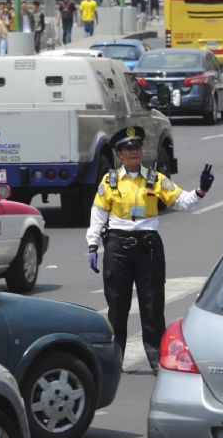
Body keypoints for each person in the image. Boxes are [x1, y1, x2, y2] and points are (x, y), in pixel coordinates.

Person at [86, 127, 215, 374]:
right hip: (118, 247)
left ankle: (157, 360)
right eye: (129, 148)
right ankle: (115, 360)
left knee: (152, 304)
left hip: (148, 247)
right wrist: (93, 244)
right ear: (119, 153)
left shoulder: (154, 179)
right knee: (117, 305)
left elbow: (182, 201)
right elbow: (98, 215)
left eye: (137, 147)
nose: (135, 152)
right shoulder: (109, 181)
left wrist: (201, 191)